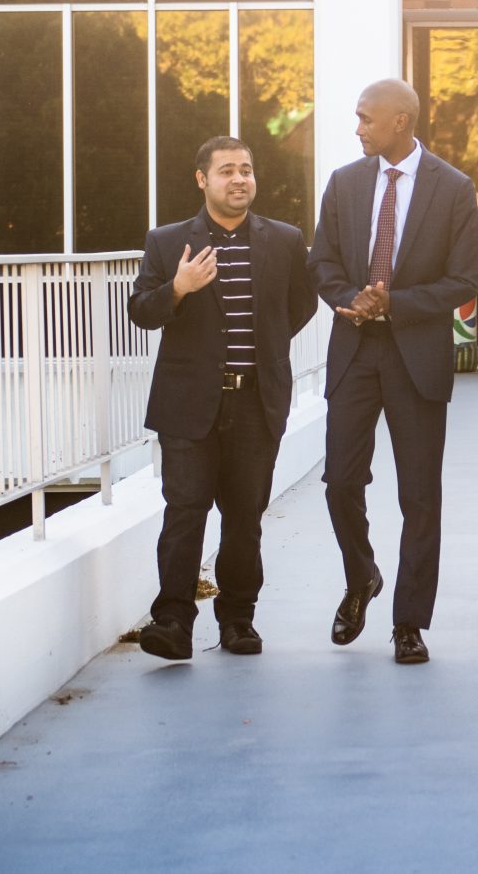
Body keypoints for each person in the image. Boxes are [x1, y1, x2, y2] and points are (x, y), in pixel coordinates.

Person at [308, 79, 478, 665]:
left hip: (415, 356)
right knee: (339, 481)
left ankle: (409, 622)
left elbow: (465, 279)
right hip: (355, 351)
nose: (357, 128)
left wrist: (397, 303)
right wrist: (349, 297)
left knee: (419, 497)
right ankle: (362, 577)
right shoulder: (345, 183)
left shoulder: (454, 188)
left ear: (401, 121)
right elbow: (323, 262)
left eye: (365, 118)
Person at [127, 138, 318, 660]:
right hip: (188, 404)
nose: (239, 179)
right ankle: (172, 622)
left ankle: (237, 619)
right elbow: (141, 311)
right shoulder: (168, 243)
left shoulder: (283, 240)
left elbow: (300, 305)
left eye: (247, 170)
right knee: (184, 512)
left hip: (256, 401)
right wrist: (180, 288)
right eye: (227, 170)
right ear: (202, 180)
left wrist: (268, 346)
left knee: (243, 519)